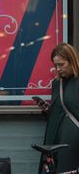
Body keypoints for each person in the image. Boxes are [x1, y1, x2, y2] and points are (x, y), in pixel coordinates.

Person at [40, 43, 79, 172]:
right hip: (57, 138)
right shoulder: (57, 84)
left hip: (73, 138)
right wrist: (48, 109)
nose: (58, 69)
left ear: (72, 61)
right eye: (55, 65)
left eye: (61, 64)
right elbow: (59, 111)